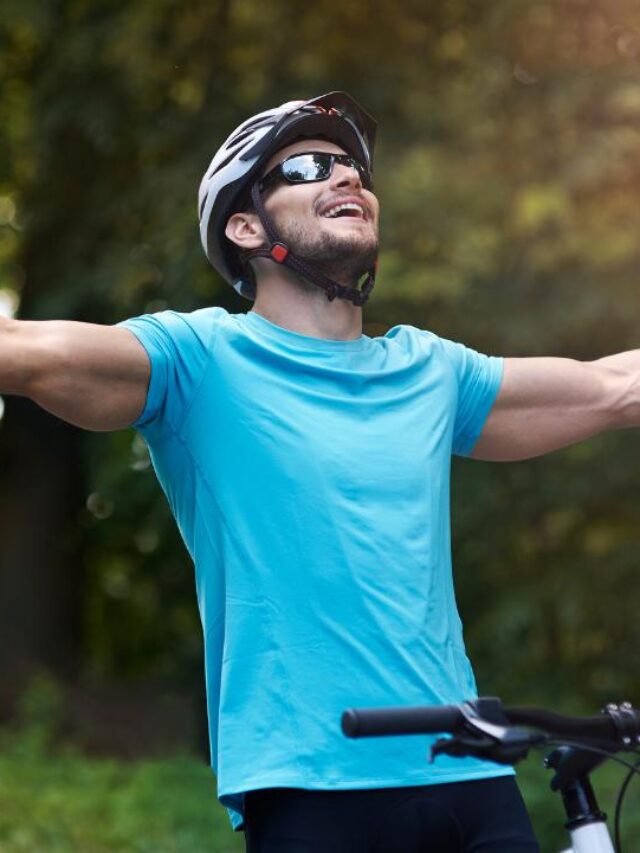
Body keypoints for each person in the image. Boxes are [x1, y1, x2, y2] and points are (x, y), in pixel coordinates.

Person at [1, 91, 638, 852]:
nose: (347, 180)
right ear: (245, 226)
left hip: (469, 770)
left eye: (354, 170)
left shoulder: (431, 370)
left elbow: (615, 386)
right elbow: (31, 353)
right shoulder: (199, 362)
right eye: (307, 167)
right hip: (312, 786)